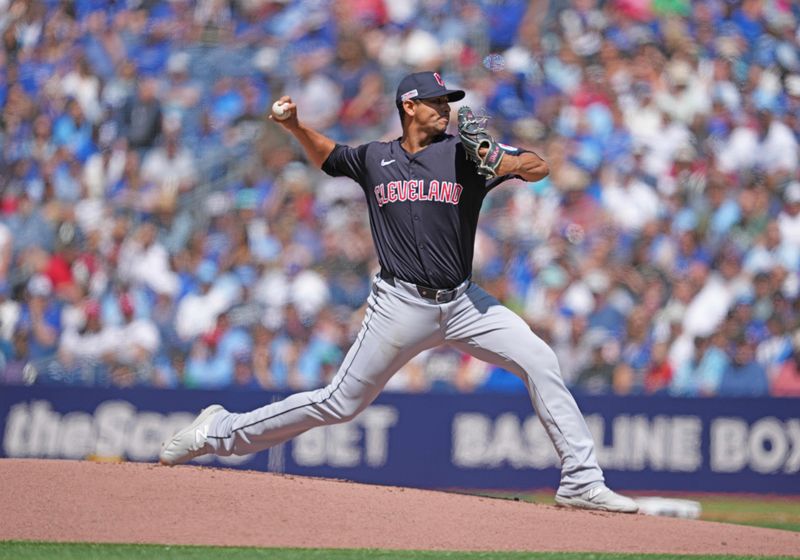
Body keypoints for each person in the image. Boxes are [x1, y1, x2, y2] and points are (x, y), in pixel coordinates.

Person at [159, 71, 638, 513]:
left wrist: (499, 158)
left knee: (539, 359)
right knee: (339, 404)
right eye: (435, 102)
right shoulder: (375, 158)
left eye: (447, 102)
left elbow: (540, 168)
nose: (446, 109)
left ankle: (580, 478)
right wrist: (296, 126)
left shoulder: (463, 153)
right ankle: (217, 430)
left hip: (464, 302)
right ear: (408, 105)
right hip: (400, 304)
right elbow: (330, 154)